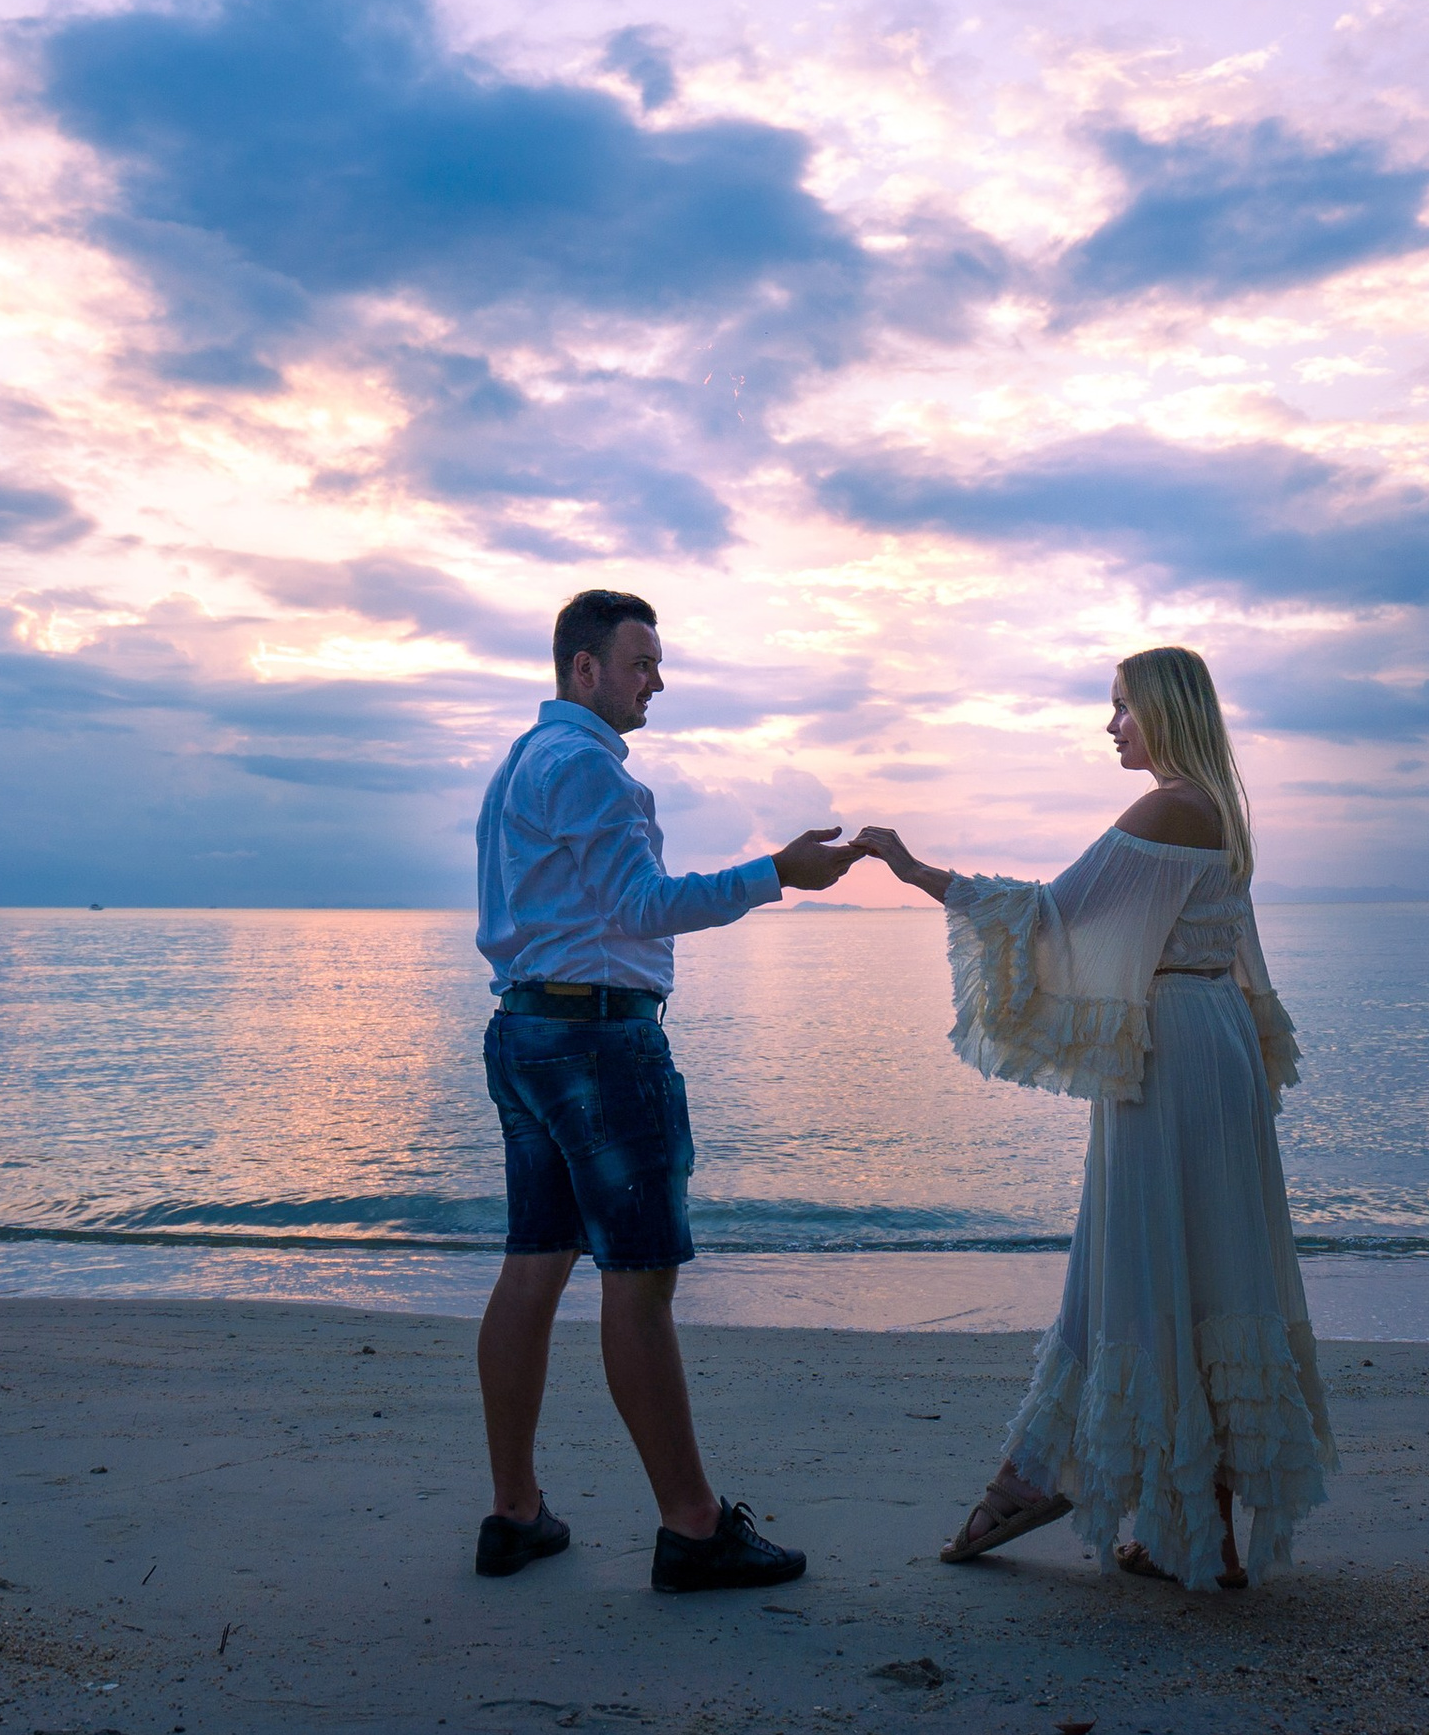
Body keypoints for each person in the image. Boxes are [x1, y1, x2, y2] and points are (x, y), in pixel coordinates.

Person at [854, 645, 1334, 1591]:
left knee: (1146, 1264)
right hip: (1211, 1037)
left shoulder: (1170, 806)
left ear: (1164, 711)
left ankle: (1110, 1500)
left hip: (1176, 1053)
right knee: (1210, 1264)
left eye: (1122, 707)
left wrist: (914, 871)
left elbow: (1053, 916)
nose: (1109, 724)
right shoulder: (1219, 808)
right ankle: (1199, 1532)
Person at [473, 587, 867, 1592]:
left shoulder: (521, 763)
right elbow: (645, 907)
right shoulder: (589, 770)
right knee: (639, 1282)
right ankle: (692, 1528)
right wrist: (776, 870)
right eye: (641, 660)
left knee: (533, 1261)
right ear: (583, 669)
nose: (658, 679)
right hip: (598, 1042)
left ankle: (513, 1511)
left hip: (524, 1027)